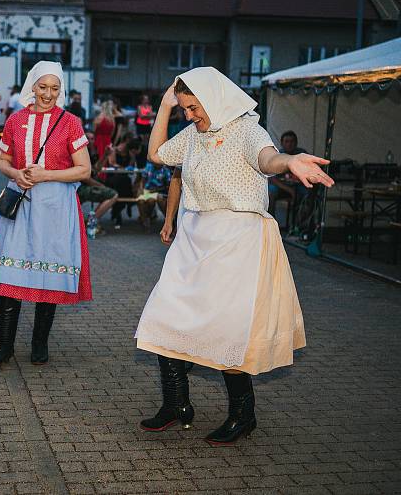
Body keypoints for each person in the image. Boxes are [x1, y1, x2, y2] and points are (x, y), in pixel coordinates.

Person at [135, 66, 333, 445]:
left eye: (194, 107)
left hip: (235, 240)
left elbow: (266, 159)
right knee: (164, 317)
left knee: (227, 332)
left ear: (214, 98)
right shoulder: (193, 135)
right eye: (185, 109)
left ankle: (243, 415)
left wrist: (288, 162)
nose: (190, 115)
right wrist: (164, 106)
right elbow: (157, 155)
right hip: (194, 239)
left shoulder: (246, 129)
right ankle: (177, 405)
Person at [0, 61, 92, 366]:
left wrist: (46, 175)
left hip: (55, 206)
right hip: (20, 202)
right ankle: (4, 345)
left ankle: (39, 344)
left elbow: (84, 169)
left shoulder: (70, 122)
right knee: (10, 272)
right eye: (43, 87)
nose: (48, 94)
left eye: (55, 88)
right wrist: (17, 172)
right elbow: (2, 162)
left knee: (48, 273)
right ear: (32, 86)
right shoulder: (15, 120)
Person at [268, 130, 308, 217]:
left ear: (296, 143)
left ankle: (302, 224)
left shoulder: (302, 155)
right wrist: (290, 191)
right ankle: (270, 222)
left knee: (308, 193)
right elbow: (272, 178)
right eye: (286, 141)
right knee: (270, 192)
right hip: (281, 186)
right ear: (282, 143)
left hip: (298, 186)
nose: (289, 144)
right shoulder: (277, 156)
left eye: (292, 141)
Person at [134, 160, 173, 228]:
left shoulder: (165, 170)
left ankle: (167, 219)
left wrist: (156, 190)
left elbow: (167, 186)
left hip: (159, 191)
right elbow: (143, 180)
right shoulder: (149, 167)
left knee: (152, 200)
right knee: (141, 200)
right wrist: (141, 189)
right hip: (148, 190)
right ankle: (144, 218)